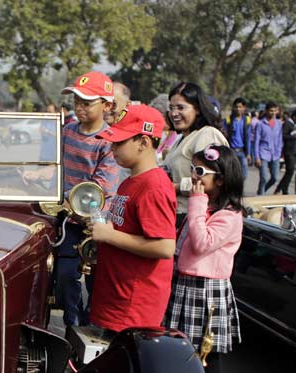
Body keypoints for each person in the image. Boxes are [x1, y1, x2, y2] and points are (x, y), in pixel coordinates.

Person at [26, 71, 119, 327]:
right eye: (77, 101)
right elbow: (57, 168)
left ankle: (92, 329)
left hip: (94, 226)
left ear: (106, 105)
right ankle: (72, 328)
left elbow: (102, 187)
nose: (79, 107)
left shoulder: (109, 142)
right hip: (68, 223)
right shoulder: (67, 131)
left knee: (95, 283)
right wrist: (37, 175)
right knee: (66, 277)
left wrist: (69, 202)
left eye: (87, 102)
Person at [164, 145, 244, 373]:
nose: (194, 177)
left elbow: (201, 244)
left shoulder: (229, 216)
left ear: (220, 180)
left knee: (207, 353)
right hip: (185, 283)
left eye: (200, 171)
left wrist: (196, 203)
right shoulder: (205, 208)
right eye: (193, 169)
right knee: (179, 346)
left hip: (207, 290)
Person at [89, 103, 177, 333]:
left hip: (132, 307)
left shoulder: (154, 186)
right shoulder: (130, 181)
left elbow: (165, 246)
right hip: (116, 296)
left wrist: (110, 236)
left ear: (144, 143)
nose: (113, 147)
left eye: (119, 142)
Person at [162, 82, 227, 219]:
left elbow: (211, 179)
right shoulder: (181, 138)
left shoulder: (207, 135)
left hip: (196, 215)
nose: (174, 113)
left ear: (197, 109)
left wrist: (177, 187)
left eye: (181, 108)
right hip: (175, 212)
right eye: (171, 108)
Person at [252, 102, 283, 195]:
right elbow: (256, 141)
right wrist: (257, 157)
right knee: (264, 177)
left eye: (275, 111)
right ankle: (261, 196)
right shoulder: (261, 124)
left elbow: (280, 139)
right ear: (266, 111)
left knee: (275, 178)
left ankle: (262, 191)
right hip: (263, 153)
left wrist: (280, 151)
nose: (273, 113)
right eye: (271, 111)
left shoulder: (278, 124)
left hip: (275, 154)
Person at [276, 109, 296, 195]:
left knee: (290, 172)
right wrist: (295, 138)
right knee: (290, 171)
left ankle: (282, 188)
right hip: (289, 151)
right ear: (295, 117)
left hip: (295, 150)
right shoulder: (287, 124)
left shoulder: (294, 125)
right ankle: (282, 189)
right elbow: (283, 136)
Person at [224, 97, 251, 178]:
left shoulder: (247, 120)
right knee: (232, 174)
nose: (238, 109)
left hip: (243, 151)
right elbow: (224, 136)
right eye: (236, 107)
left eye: (240, 107)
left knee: (244, 175)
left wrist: (249, 153)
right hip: (232, 150)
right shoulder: (228, 120)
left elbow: (248, 137)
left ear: (244, 108)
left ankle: (239, 189)